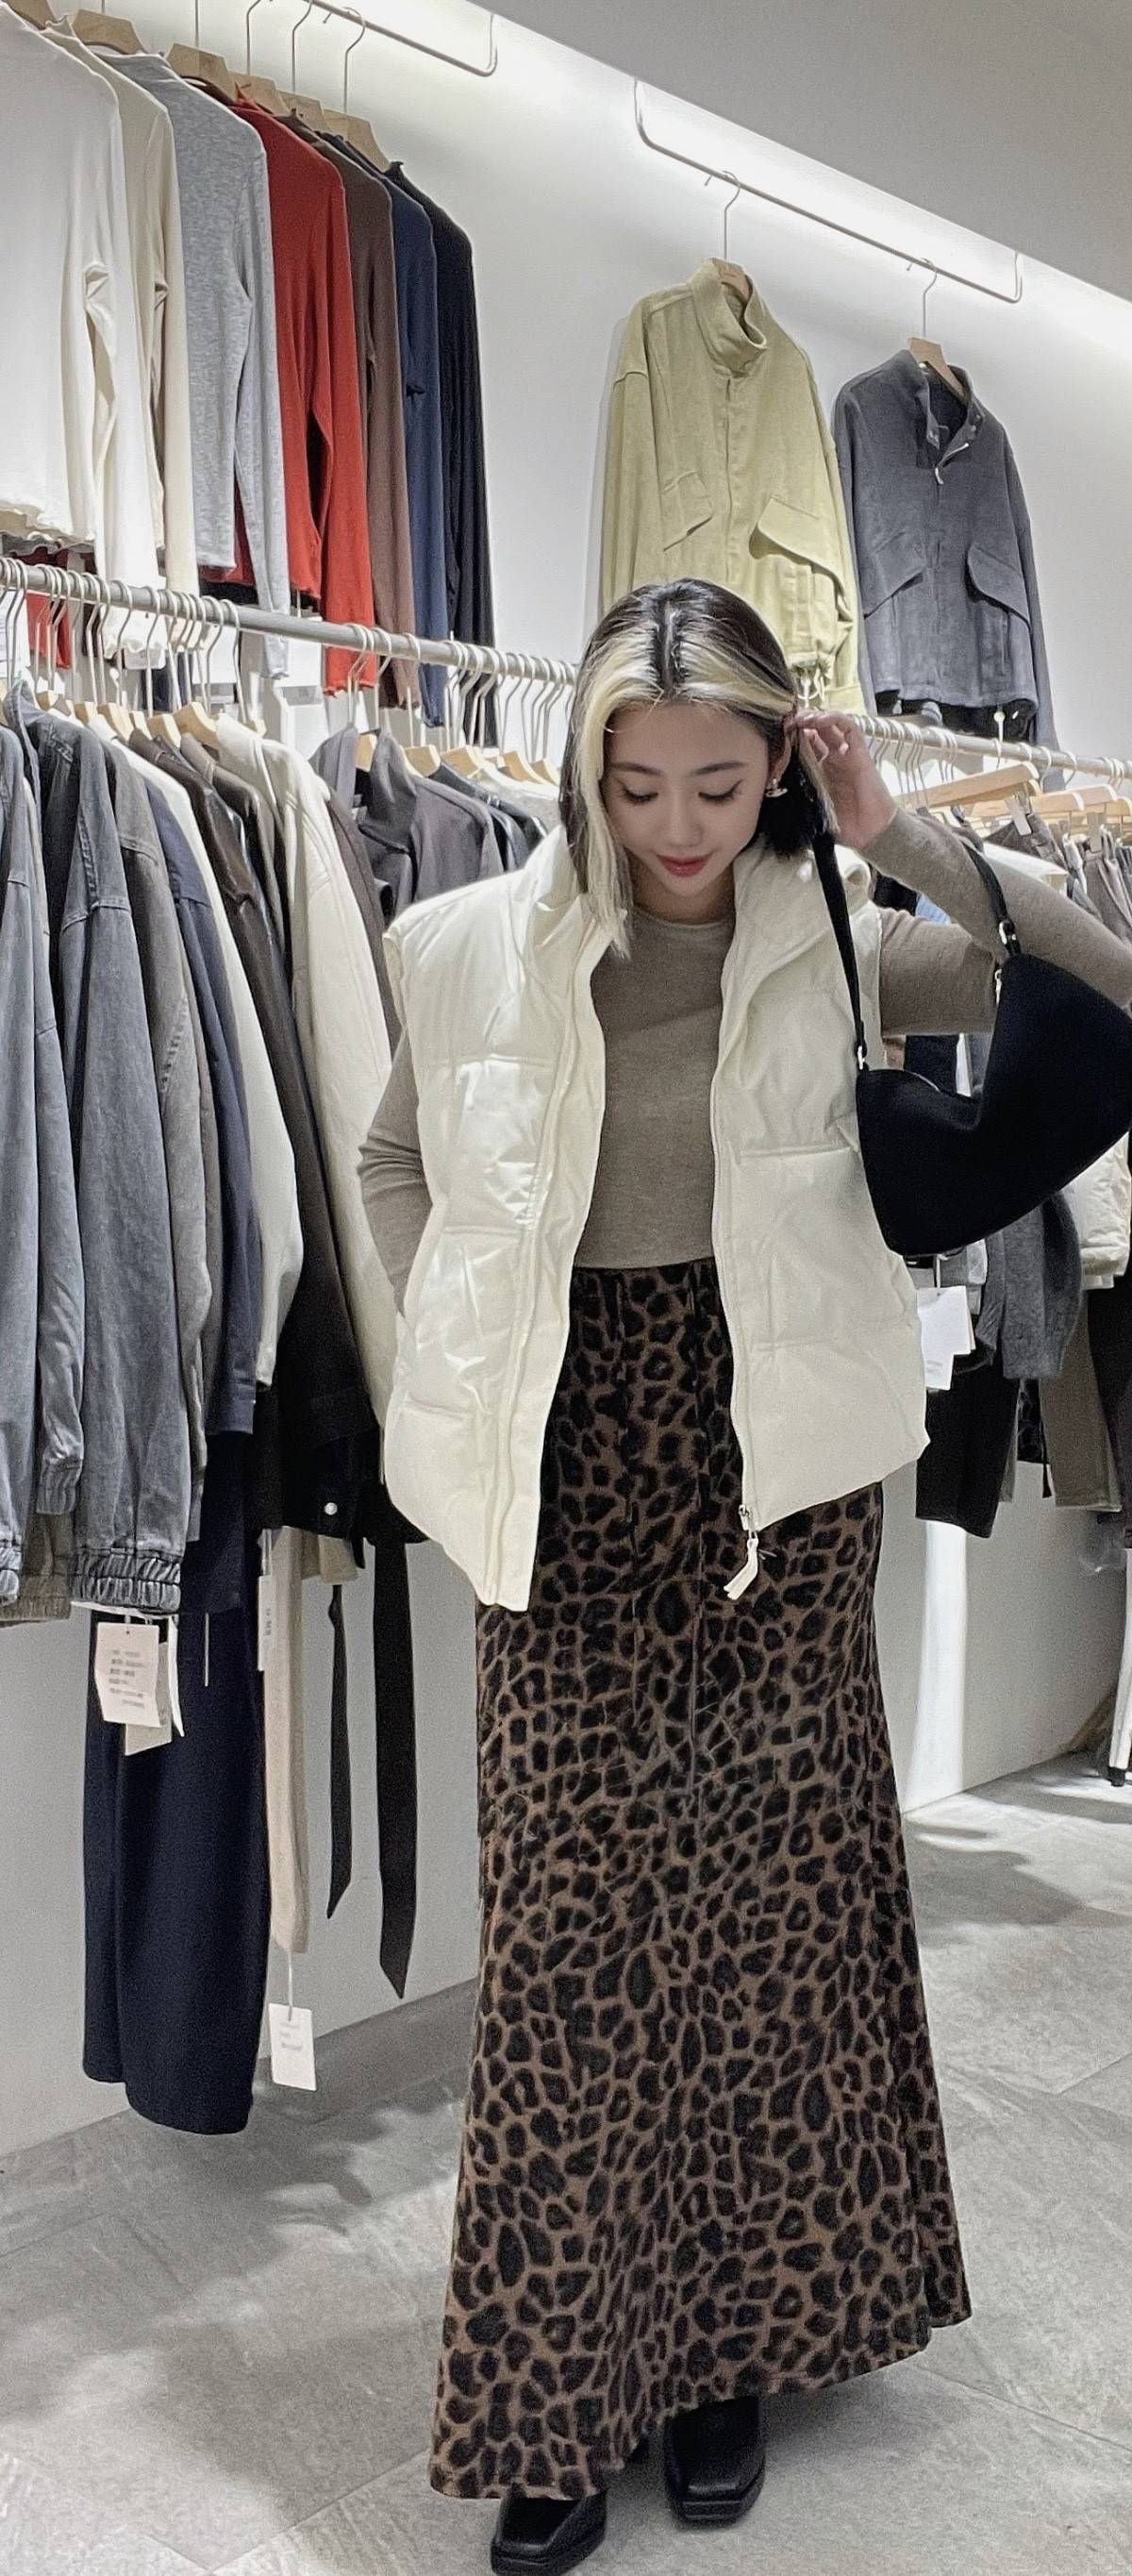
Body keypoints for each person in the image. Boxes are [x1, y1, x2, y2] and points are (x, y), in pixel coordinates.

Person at [357, 578, 1132, 2574]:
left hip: (777, 1470)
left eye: (720, 782)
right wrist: (444, 1349)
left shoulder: (846, 939)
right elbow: (389, 1162)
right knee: (565, 1951)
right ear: (585, 771)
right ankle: (554, 2396)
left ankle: (722, 2357)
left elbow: (1109, 984)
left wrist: (895, 832)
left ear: (777, 765)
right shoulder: (461, 942)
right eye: (641, 785)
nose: (680, 825)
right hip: (559, 1471)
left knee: (760, 1925)